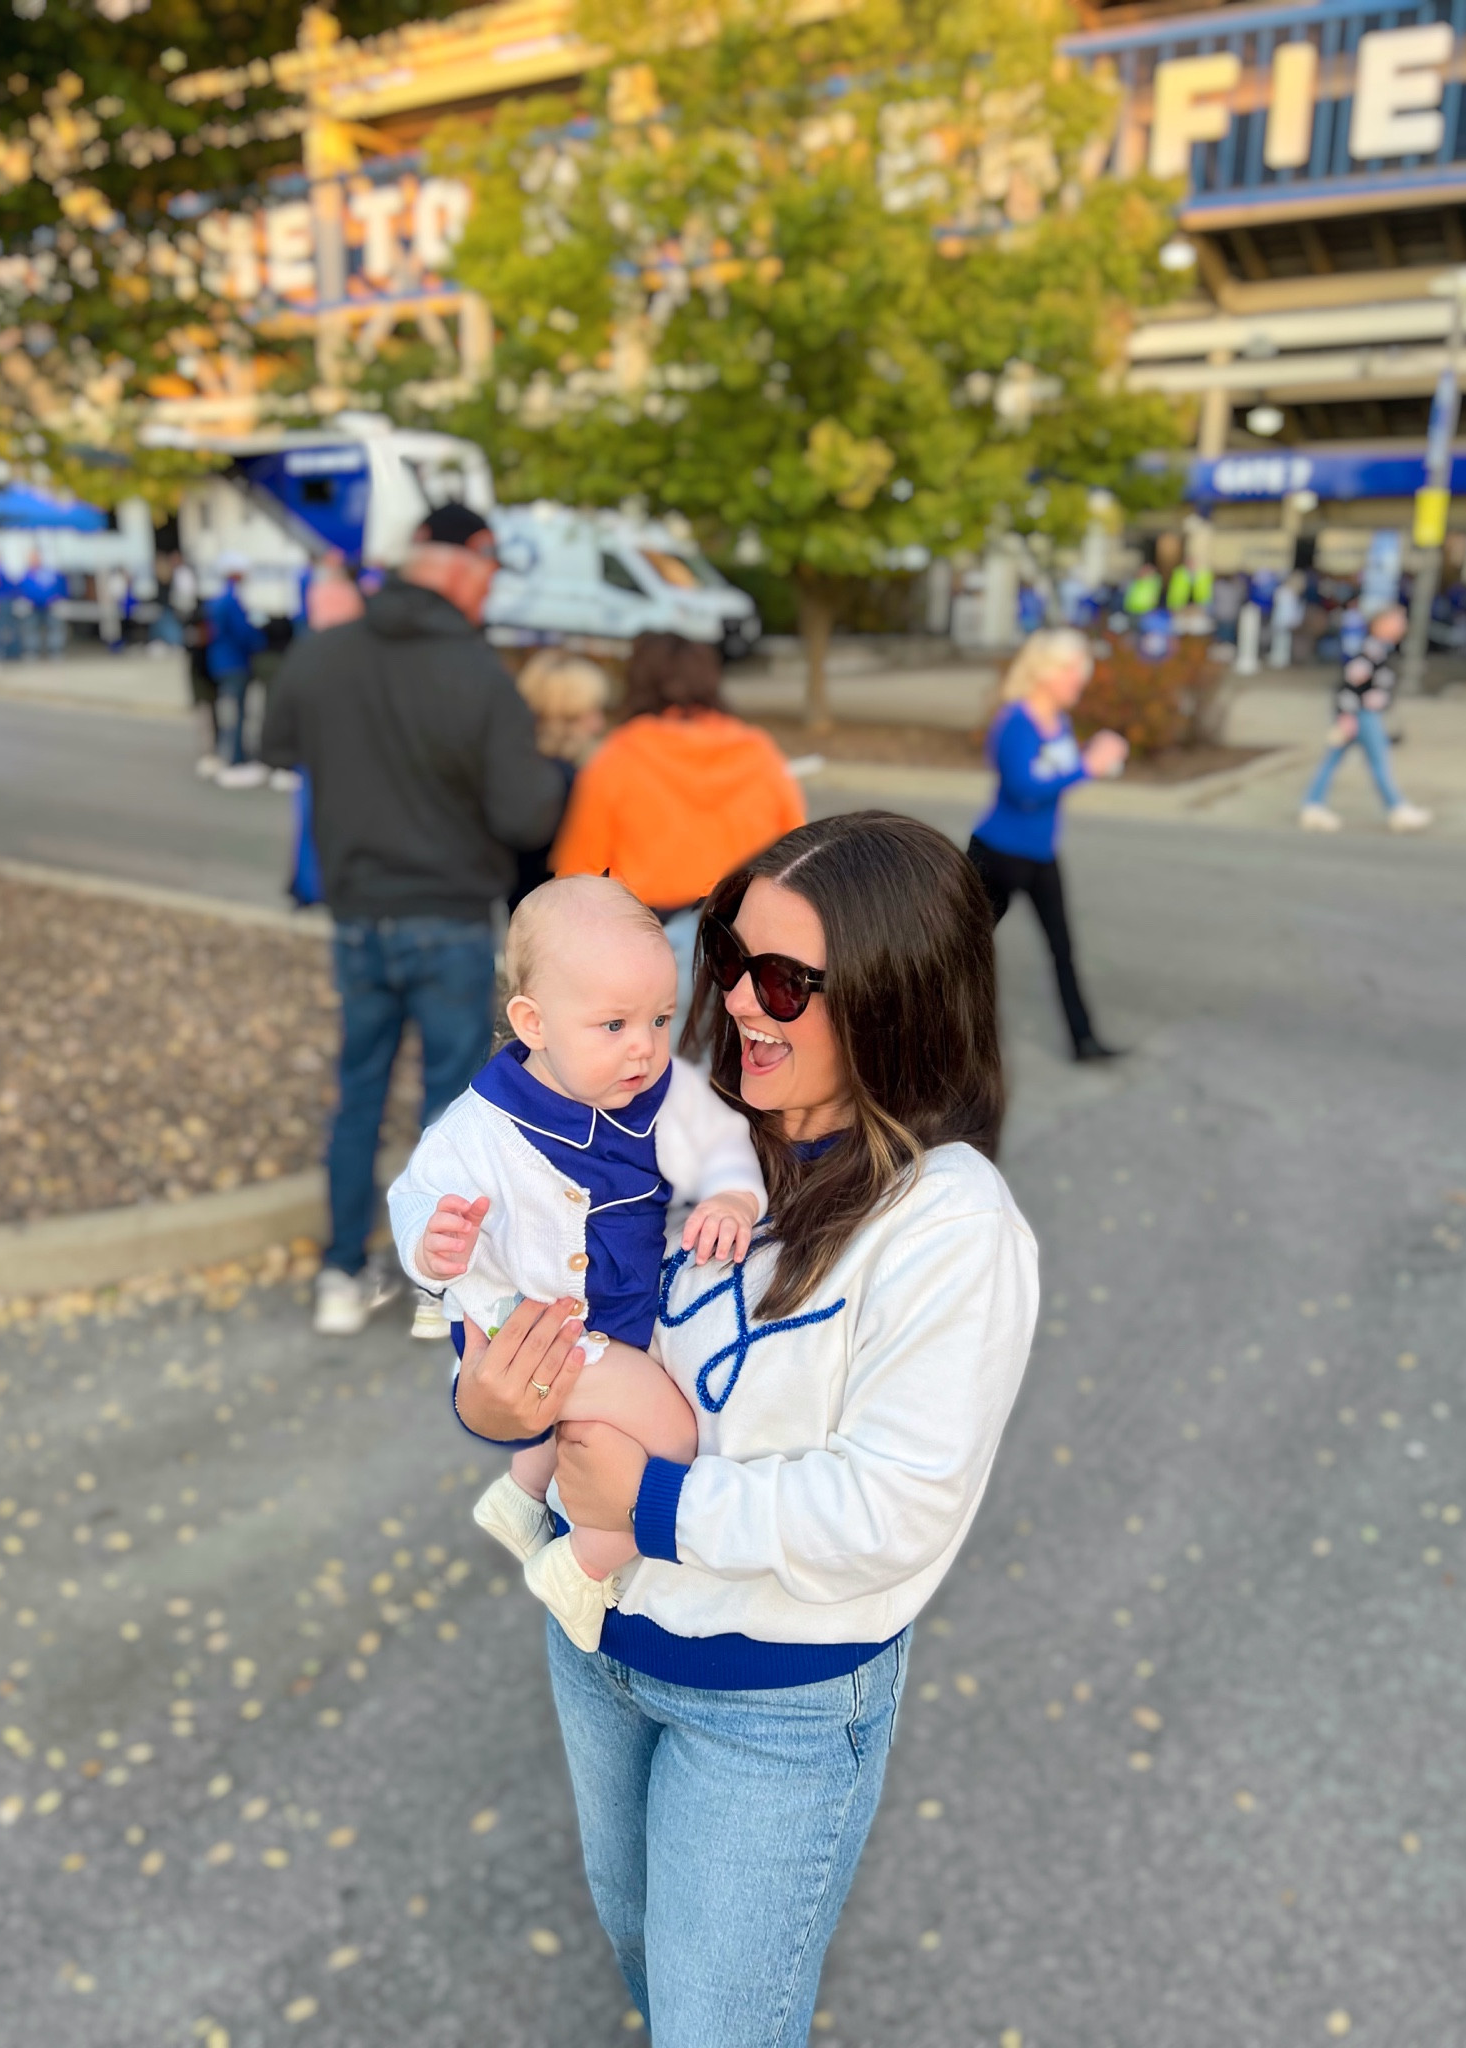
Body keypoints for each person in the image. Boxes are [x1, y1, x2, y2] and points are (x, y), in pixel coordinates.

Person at [448, 811, 1038, 2047]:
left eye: (786, 980)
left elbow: (892, 1510)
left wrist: (647, 1506)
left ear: (896, 998)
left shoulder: (950, 1224)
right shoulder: (674, 1122)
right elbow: (534, 1288)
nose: (740, 1003)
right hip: (598, 1638)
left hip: (771, 1705)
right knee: (654, 1973)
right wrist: (485, 1398)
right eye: (727, 953)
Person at [389, 876, 766, 1649]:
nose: (645, 1046)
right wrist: (433, 1244)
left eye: (661, 1019)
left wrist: (732, 1197)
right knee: (672, 1433)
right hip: (527, 1328)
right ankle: (583, 1566)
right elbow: (417, 1193)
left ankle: (525, 1495)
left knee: (606, 1437)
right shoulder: (480, 1127)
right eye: (614, 1024)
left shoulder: (661, 1092)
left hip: (611, 1318)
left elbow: (725, 1146)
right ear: (533, 1024)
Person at [261, 501, 566, 1337]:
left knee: (358, 1093)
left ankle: (339, 1271)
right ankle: (442, 1292)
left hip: (359, 917)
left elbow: (276, 743)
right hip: (449, 916)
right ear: (464, 567)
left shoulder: (326, 656)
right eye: (492, 575)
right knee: (452, 1106)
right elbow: (526, 817)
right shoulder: (479, 675)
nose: (490, 593)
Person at [551, 631, 805, 1034]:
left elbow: (576, 874)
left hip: (649, 942)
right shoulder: (758, 753)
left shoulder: (620, 756)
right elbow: (799, 856)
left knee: (651, 1080)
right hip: (745, 948)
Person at [966, 627, 1128, 1061]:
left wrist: (1097, 757)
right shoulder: (1014, 722)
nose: (1081, 679)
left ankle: (1084, 1040)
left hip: (1040, 856)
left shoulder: (1059, 722)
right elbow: (1024, 789)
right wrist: (1089, 766)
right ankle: (923, 1038)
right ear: (1047, 673)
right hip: (997, 854)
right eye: (1073, 670)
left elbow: (1058, 775)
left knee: (1063, 949)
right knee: (959, 950)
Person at [1299, 603, 1432, 833]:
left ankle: (1312, 805)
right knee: (1378, 762)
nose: (1402, 626)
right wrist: (1346, 715)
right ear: (1380, 624)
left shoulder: (1381, 649)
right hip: (1362, 716)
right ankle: (1397, 808)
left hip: (1360, 715)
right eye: (1396, 620)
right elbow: (1349, 685)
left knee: (1334, 759)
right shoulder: (1371, 651)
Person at [508, 649, 611, 910]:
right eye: (590, 711)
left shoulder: (514, 769)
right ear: (566, 715)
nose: (598, 724)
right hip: (552, 918)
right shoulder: (566, 783)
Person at [205, 559, 268, 786]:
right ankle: (235, 759)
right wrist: (262, 640)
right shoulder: (232, 601)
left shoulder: (217, 600)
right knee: (236, 713)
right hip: (234, 663)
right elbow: (244, 633)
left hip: (220, 662)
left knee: (230, 711)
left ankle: (229, 755)